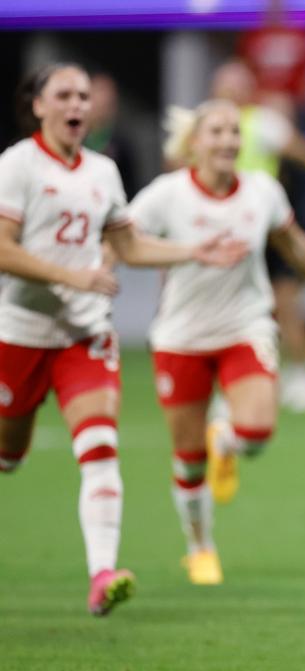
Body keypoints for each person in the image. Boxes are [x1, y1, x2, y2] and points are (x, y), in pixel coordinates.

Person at [0, 63, 245, 616]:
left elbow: (130, 248)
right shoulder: (16, 166)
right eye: (63, 95)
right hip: (19, 334)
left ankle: (103, 573)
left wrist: (193, 251)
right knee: (9, 456)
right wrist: (73, 275)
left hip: (84, 333)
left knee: (99, 449)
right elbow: (3, 248)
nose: (76, 105)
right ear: (37, 106)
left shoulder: (103, 172)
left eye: (83, 96)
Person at [129, 99, 305, 585]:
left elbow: (294, 244)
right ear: (194, 143)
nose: (229, 141)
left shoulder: (261, 192)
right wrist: (188, 251)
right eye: (217, 132)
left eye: (234, 132)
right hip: (181, 336)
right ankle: (199, 547)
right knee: (187, 457)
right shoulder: (166, 196)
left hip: (245, 326)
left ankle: (228, 439)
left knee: (256, 433)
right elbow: (126, 245)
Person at [210, 59, 305, 414]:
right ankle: (227, 386)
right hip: (221, 231)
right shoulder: (205, 125)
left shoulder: (263, 122)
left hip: (265, 228)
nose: (232, 93)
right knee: (224, 306)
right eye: (226, 86)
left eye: (237, 86)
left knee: (286, 302)